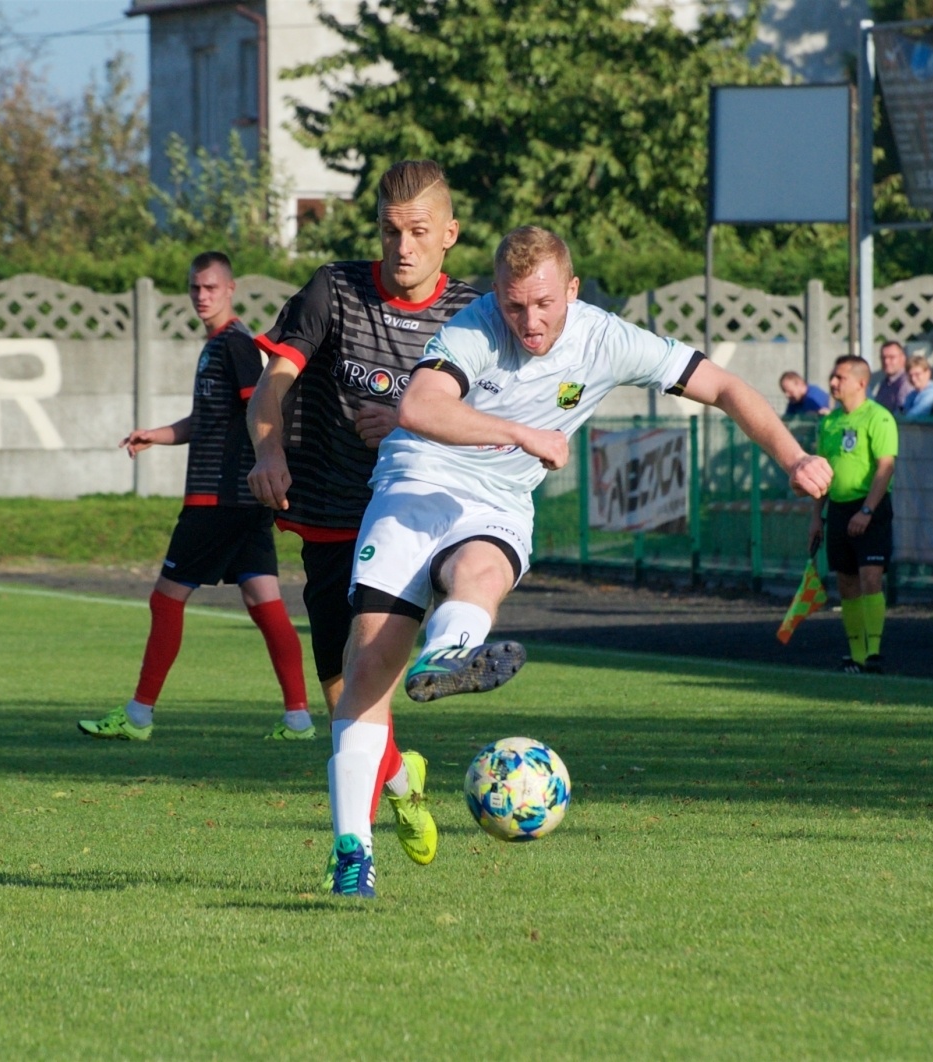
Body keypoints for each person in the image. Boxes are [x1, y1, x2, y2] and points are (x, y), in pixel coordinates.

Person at [320, 226, 833, 896]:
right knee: (368, 669)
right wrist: (522, 434)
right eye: (514, 305)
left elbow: (726, 387)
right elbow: (418, 407)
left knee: (482, 572)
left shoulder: (608, 339)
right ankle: (353, 851)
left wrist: (794, 456)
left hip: (498, 501)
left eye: (544, 304)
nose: (529, 321)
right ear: (496, 295)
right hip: (415, 484)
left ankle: (449, 653)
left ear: (573, 289)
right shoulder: (474, 329)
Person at [246, 159, 481, 869]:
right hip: (331, 512)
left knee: (364, 669)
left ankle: (354, 850)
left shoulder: (474, 314)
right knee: (344, 695)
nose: (402, 247)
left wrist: (411, 427)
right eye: (389, 231)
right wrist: (268, 451)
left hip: (412, 518)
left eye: (418, 232)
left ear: (449, 233)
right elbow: (273, 383)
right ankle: (403, 783)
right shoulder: (334, 290)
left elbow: (490, 425)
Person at [78, 252, 310, 743]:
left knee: (165, 598)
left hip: (219, 498)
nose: (201, 296)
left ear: (230, 289)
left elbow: (262, 407)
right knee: (263, 600)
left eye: (210, 287)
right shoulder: (216, 346)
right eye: (194, 288)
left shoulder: (236, 344)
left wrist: (273, 461)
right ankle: (298, 721)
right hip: (243, 500)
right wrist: (157, 435)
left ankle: (138, 715)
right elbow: (206, 421)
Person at [808, 356, 897, 675]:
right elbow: (821, 471)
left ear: (861, 382)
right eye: (832, 377)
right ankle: (856, 656)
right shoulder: (829, 422)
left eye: (840, 377)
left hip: (870, 507)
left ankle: (874, 652)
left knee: (870, 577)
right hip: (839, 508)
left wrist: (867, 511)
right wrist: (816, 517)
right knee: (846, 582)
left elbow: (886, 467)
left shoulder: (878, 417)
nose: (833, 383)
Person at [872, 341, 914, 413]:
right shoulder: (886, 383)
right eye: (883, 358)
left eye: (891, 357)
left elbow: (902, 414)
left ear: (903, 358)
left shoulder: (907, 382)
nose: (886, 361)